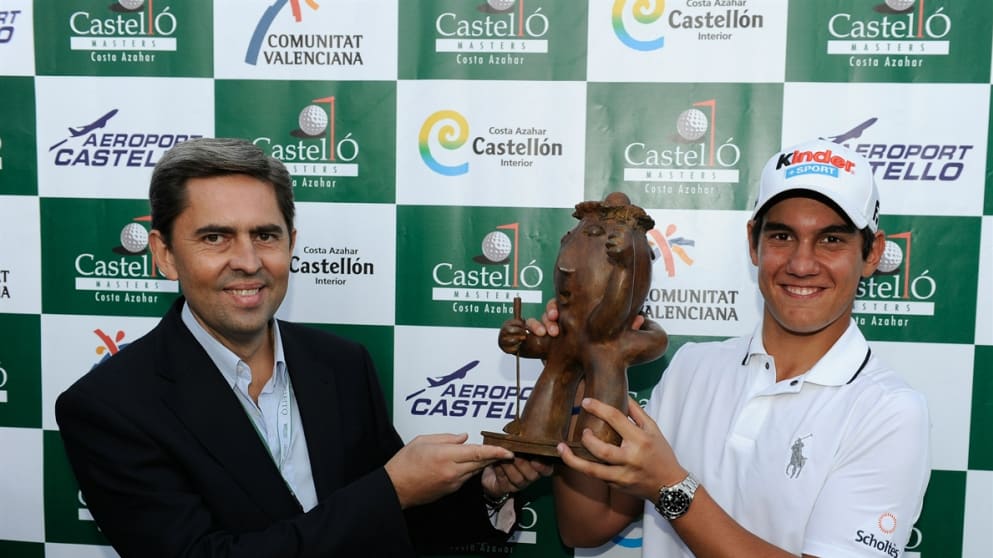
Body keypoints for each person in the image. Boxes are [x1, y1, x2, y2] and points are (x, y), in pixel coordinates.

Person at [56, 137, 551, 558]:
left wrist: (486, 490)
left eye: (265, 235)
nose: (248, 261)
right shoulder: (109, 407)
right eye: (215, 238)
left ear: (291, 242)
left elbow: (392, 524)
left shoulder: (341, 364)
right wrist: (392, 489)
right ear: (164, 254)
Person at [500, 138, 931, 557]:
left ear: (873, 252)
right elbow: (585, 528)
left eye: (831, 240)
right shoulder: (692, 367)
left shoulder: (889, 412)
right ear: (752, 242)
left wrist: (672, 487)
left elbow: (664, 489)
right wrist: (577, 361)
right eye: (782, 237)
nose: (802, 264)